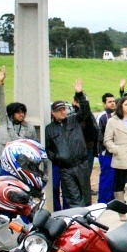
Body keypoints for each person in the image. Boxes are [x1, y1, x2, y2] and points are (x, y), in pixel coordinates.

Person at [45, 78, 92, 207]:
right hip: (65, 169)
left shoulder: (74, 120)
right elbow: (48, 149)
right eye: (59, 110)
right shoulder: (49, 129)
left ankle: (87, 221)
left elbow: (86, 111)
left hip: (81, 165)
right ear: (53, 113)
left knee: (85, 196)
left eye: (64, 109)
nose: (63, 112)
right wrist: (57, 158)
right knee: (72, 198)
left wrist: (80, 94)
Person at [0, 65, 38, 177]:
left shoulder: (29, 128)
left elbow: (35, 147)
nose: (21, 114)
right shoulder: (4, 122)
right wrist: (0, 84)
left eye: (23, 112)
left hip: (21, 167)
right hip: (3, 164)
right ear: (11, 113)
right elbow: (0, 105)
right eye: (18, 112)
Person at [96, 92, 117, 204]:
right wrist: (111, 146)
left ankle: (113, 201)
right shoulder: (102, 117)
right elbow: (99, 136)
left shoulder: (118, 116)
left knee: (115, 179)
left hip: (117, 154)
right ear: (104, 104)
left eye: (114, 101)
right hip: (106, 153)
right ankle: (103, 202)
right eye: (110, 102)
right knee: (107, 178)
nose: (112, 104)